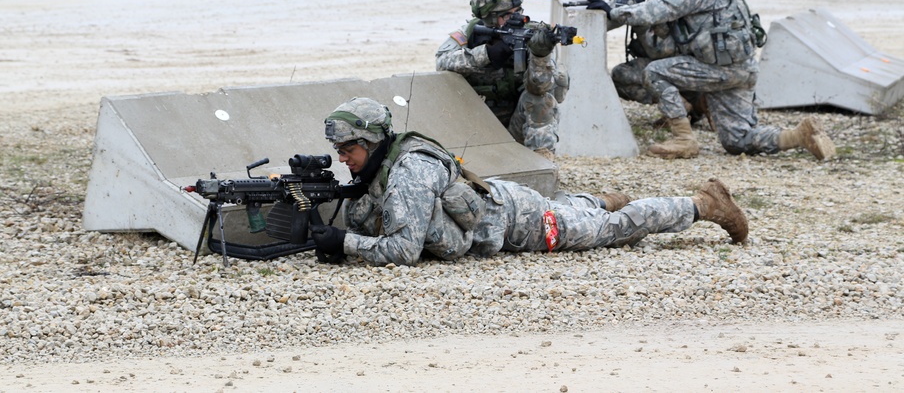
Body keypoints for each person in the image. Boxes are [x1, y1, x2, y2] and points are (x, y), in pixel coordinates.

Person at [309, 97, 749, 267]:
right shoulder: (383, 166)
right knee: (580, 210)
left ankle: (702, 204)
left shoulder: (410, 173)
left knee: (609, 233)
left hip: (522, 224)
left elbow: (403, 251)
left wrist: (342, 241)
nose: (343, 159)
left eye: (348, 149)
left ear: (371, 141)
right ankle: (599, 199)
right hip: (504, 202)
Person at [590, 0, 835, 160]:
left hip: (718, 70)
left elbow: (657, 11)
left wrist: (614, 12)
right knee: (738, 141)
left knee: (655, 71)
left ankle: (684, 139)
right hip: (742, 69)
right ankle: (800, 135)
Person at [435, 0, 569, 158]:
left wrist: (540, 56)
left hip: (514, 130)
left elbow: (541, 88)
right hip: (472, 131)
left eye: (518, 11)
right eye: (506, 15)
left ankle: (541, 166)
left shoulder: (534, 35)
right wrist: (487, 54)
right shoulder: (469, 33)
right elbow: (441, 63)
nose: (515, 18)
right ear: (488, 16)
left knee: (541, 101)